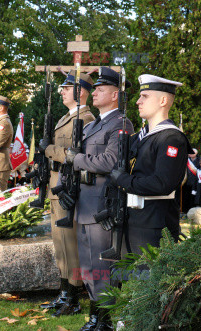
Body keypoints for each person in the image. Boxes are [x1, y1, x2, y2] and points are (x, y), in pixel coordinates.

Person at [62, 67, 134, 330]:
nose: (95, 93)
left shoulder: (122, 124)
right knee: (89, 267)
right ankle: (96, 316)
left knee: (102, 266)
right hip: (83, 204)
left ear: (115, 95)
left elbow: (111, 161)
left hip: (102, 206)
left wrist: (77, 159)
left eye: (101, 89)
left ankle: (103, 320)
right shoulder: (93, 125)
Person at [110, 74, 191, 251]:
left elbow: (161, 183)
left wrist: (123, 180)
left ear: (163, 100)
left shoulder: (171, 138)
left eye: (144, 96)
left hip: (154, 227)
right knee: (129, 277)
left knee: (146, 277)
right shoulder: (139, 138)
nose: (138, 101)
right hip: (131, 219)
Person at [40, 70, 96, 317]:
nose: (62, 91)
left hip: (68, 189)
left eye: (66, 87)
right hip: (57, 186)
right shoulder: (68, 116)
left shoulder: (86, 118)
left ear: (80, 91)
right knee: (60, 244)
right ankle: (64, 294)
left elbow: (77, 155)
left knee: (70, 244)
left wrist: (49, 149)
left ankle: (73, 297)